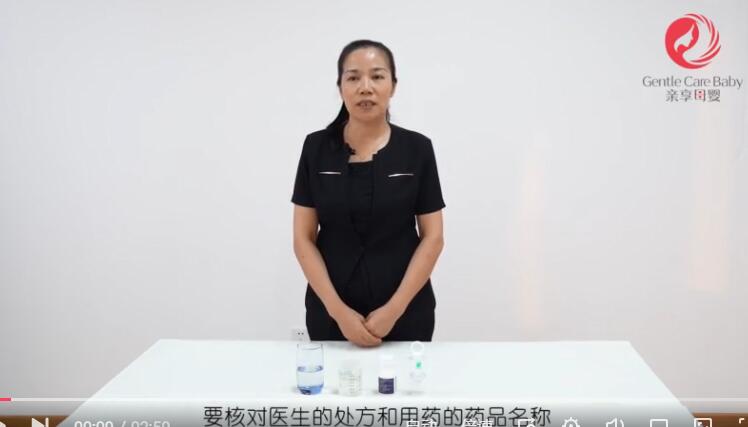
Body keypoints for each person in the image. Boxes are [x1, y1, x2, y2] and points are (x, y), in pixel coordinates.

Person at [291, 39, 445, 347]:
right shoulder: (316, 148)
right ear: (340, 87)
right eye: (353, 77)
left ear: (393, 85)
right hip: (330, 312)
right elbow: (302, 238)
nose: (365, 87)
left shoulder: (417, 149)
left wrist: (394, 310)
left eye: (377, 76)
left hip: (407, 311)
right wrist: (338, 312)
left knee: (407, 379)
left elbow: (433, 237)